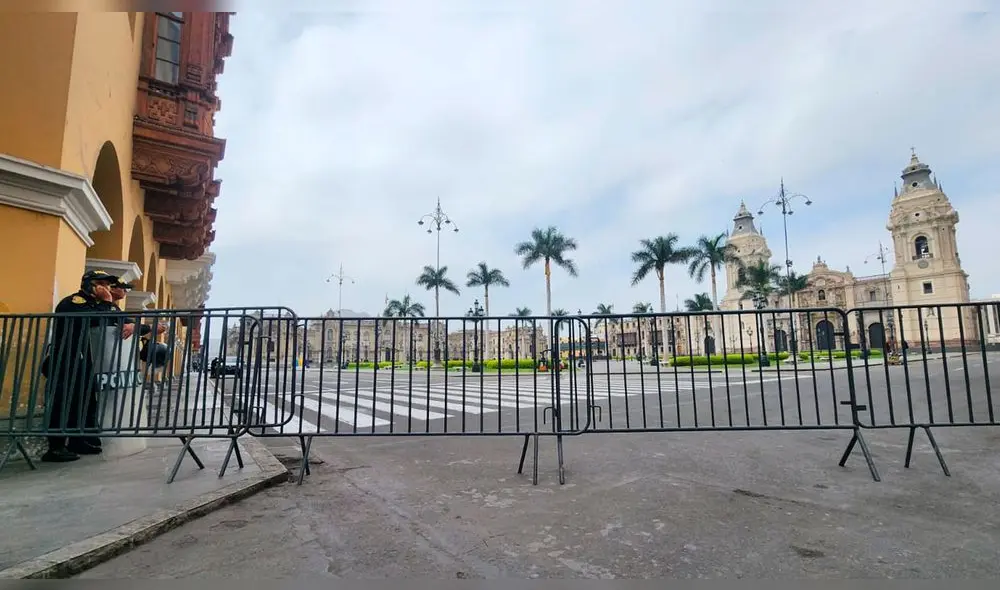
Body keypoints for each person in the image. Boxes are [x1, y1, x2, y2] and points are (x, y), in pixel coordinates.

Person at [42, 270, 121, 462]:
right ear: (89, 284)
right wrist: (106, 303)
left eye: (108, 284)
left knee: (84, 401)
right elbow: (95, 319)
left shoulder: (99, 305)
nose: (106, 288)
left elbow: (117, 320)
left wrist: (130, 325)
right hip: (66, 359)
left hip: (87, 359)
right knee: (64, 401)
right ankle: (56, 447)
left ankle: (79, 440)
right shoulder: (74, 302)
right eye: (101, 283)